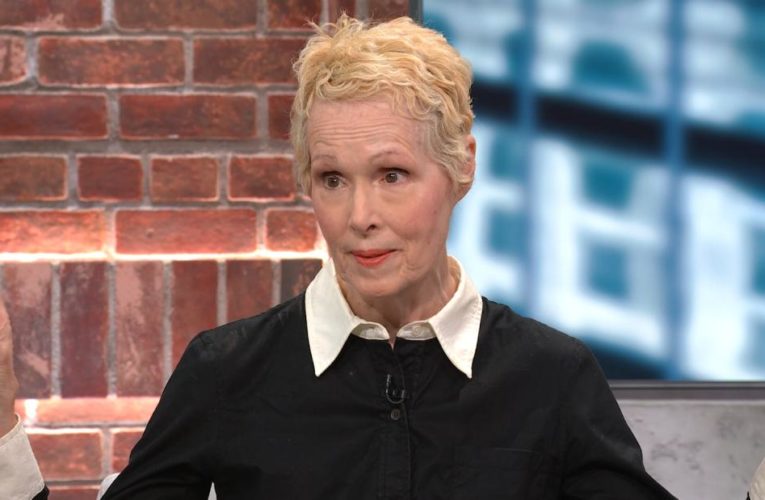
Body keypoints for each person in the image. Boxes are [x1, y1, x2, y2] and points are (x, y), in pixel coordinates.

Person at [0, 15, 675, 499]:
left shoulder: (551, 377)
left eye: (391, 175)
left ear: (462, 167)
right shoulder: (226, 371)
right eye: (332, 179)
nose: (359, 217)